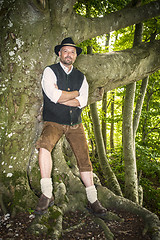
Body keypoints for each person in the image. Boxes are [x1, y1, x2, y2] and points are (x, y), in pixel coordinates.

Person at [35, 37, 107, 217]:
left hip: (76, 124)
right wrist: (73, 95)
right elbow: (54, 97)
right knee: (43, 147)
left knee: (84, 160)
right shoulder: (50, 71)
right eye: (65, 51)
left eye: (72, 52)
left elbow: (82, 101)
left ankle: (93, 199)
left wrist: (67, 95)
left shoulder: (81, 77)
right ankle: (47, 193)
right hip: (54, 122)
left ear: (75, 56)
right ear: (59, 53)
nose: (69, 54)